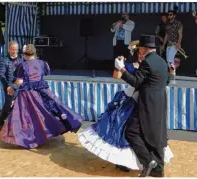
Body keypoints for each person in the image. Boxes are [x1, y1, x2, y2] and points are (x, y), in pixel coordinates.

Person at [78, 41, 173, 173]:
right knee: (121, 132)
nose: (140, 54)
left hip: (142, 102)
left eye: (140, 50)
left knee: (137, 132)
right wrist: (119, 67)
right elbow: (116, 76)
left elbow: (144, 81)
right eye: (138, 51)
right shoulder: (132, 64)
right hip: (132, 100)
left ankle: (148, 164)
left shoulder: (148, 64)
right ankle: (127, 162)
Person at [0, 44, 83, 149]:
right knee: (45, 113)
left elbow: (19, 81)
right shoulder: (42, 63)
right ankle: (44, 133)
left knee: (26, 117)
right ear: (34, 52)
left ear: (24, 54)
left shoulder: (22, 66)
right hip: (42, 91)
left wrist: (11, 88)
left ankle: (28, 138)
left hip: (27, 94)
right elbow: (46, 73)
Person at [115, 35, 169, 177]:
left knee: (131, 131)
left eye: (140, 47)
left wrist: (122, 70)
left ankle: (149, 161)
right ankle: (158, 170)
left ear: (144, 47)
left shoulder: (147, 62)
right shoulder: (162, 61)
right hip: (160, 101)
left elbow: (136, 82)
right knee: (156, 134)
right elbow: (166, 80)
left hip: (147, 103)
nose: (138, 49)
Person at [0, 41, 23, 130]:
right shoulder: (4, 60)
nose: (14, 51)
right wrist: (7, 86)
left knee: (19, 105)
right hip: (9, 87)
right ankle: (1, 121)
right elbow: (1, 74)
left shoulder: (22, 59)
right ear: (8, 49)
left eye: (16, 49)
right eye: (12, 49)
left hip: (21, 86)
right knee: (8, 105)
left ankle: (14, 125)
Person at [162, 6, 183, 77]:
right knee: (168, 59)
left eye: (170, 14)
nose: (169, 16)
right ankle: (173, 72)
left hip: (175, 44)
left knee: (170, 59)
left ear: (174, 15)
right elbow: (166, 35)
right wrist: (163, 45)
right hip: (168, 44)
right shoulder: (167, 24)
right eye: (168, 14)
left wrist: (179, 43)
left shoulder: (178, 23)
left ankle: (172, 73)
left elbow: (180, 34)